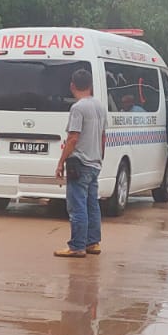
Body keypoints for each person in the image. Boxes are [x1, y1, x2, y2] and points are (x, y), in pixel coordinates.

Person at [54, 69, 106, 257]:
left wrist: (61, 162)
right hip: (94, 163)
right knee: (92, 204)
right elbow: (103, 136)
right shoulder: (100, 106)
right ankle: (93, 242)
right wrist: (100, 157)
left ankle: (77, 246)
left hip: (80, 162)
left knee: (77, 207)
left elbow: (73, 138)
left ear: (72, 86)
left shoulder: (78, 108)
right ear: (90, 85)